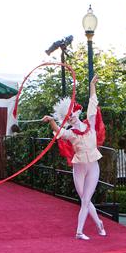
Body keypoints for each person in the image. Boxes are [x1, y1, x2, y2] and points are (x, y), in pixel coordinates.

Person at [42, 75, 107, 240]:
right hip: (79, 168)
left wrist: (92, 85)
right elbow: (59, 132)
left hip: (93, 167)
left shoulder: (90, 124)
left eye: (72, 113)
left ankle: (79, 231)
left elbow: (93, 102)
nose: (70, 116)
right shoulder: (70, 133)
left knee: (86, 200)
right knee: (84, 199)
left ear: (77, 112)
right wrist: (51, 120)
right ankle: (99, 223)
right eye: (67, 116)